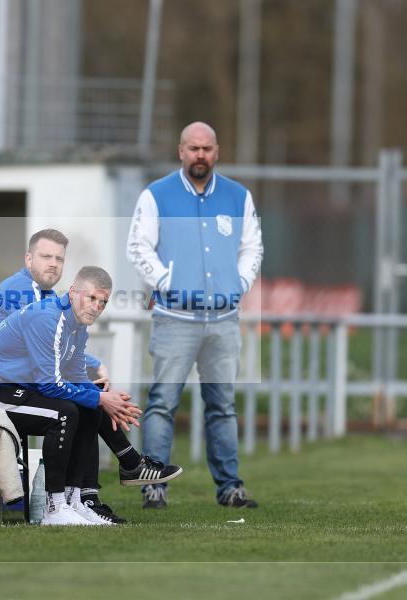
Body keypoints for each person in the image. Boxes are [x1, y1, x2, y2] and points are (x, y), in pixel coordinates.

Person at [0, 229, 181, 523]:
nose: (52, 264)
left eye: (59, 259)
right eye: (45, 256)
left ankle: (82, 499)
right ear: (29, 258)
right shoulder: (26, 294)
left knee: (87, 406)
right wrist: (101, 394)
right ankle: (58, 505)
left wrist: (102, 399)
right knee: (68, 411)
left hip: (16, 382)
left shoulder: (67, 313)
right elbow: (49, 365)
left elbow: (65, 364)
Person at [126, 121, 264, 509]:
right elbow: (138, 249)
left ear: (217, 151)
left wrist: (239, 283)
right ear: (180, 151)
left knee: (222, 405)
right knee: (162, 403)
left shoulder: (238, 197)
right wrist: (166, 281)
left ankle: (230, 488)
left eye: (206, 148)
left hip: (223, 321)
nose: (200, 155)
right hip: (174, 320)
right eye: (193, 148)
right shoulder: (157, 195)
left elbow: (252, 247)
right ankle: (154, 486)